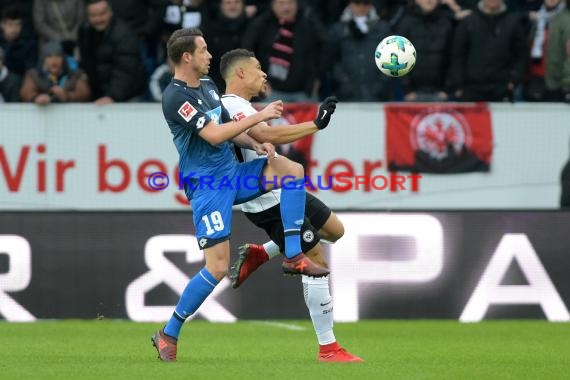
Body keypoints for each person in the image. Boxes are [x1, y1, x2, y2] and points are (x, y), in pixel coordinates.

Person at [151, 28, 333, 362]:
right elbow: (215, 135)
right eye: (204, 50)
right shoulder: (175, 97)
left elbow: (232, 135)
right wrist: (262, 117)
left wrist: (255, 143)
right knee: (217, 267)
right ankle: (168, 333)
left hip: (233, 175)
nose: (210, 55)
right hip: (208, 186)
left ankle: (293, 255)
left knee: (292, 171)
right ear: (187, 57)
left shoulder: (207, 86)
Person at [220, 48, 363, 362]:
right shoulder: (230, 104)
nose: (265, 74)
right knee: (315, 257)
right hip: (265, 198)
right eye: (258, 68)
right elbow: (263, 132)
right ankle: (329, 348)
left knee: (335, 231)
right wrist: (315, 124)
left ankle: (263, 252)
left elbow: (260, 135)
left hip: (283, 188)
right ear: (240, 73)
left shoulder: (244, 105)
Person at [77, 0, 146, 104]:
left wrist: (112, 96)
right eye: (93, 15)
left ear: (110, 12)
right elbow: (86, 63)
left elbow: (126, 71)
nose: (98, 19)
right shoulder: (84, 31)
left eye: (102, 14)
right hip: (99, 96)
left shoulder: (124, 34)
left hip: (126, 96)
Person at [20, 41, 91, 104]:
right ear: (43, 60)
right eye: (49, 56)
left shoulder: (75, 74)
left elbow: (84, 94)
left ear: (63, 59)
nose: (54, 61)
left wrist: (66, 96)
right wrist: (36, 98)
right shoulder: (34, 74)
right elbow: (26, 93)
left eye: (58, 56)